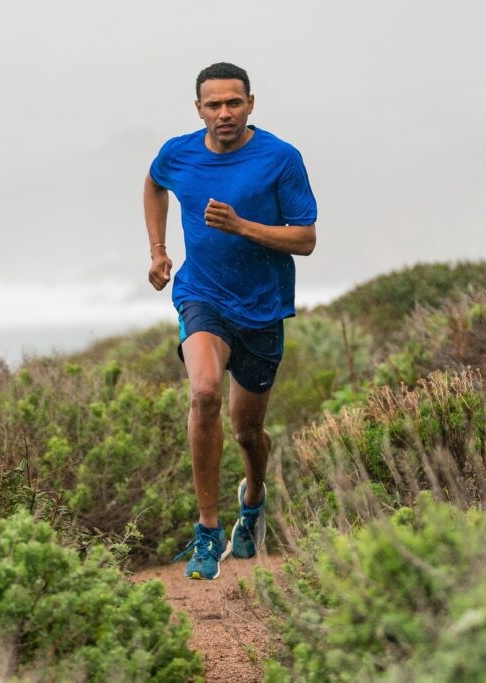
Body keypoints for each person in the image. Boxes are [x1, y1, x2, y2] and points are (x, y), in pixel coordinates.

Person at [144, 62, 317, 579]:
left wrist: (242, 226)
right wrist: (158, 250)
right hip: (202, 296)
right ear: (198, 109)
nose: (224, 113)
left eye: (234, 103)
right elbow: (154, 183)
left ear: (250, 104)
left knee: (247, 431)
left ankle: (254, 498)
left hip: (263, 307)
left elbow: (305, 238)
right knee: (203, 393)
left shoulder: (280, 158)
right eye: (214, 104)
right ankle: (207, 530)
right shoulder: (178, 153)